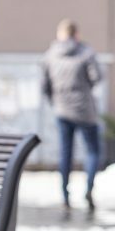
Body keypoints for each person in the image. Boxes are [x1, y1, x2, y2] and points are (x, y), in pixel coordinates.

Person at [41, 19, 103, 210]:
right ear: (76, 34)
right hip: (85, 110)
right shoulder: (86, 52)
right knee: (93, 151)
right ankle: (89, 188)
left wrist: (56, 101)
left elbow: (45, 86)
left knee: (65, 153)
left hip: (62, 110)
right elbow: (97, 77)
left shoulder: (50, 55)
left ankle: (65, 196)